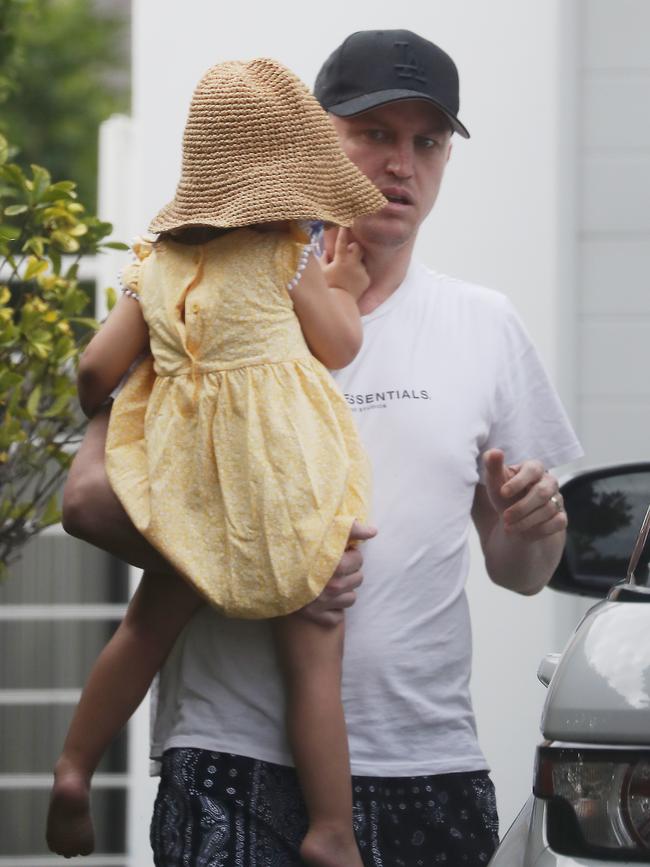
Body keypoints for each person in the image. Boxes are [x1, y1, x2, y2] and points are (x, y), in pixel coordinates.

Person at [59, 30, 583, 867]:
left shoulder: (485, 324)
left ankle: (72, 769)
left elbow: (521, 572)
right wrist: (271, 557)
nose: (402, 163)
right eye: (374, 132)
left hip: (425, 759)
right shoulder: (209, 292)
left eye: (428, 140)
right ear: (314, 138)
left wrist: (535, 521)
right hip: (227, 755)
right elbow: (85, 502)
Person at [45, 57, 388, 867]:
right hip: (279, 483)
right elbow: (339, 345)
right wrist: (339, 283)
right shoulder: (286, 249)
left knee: (145, 622)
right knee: (315, 644)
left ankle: (71, 766)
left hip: (187, 489)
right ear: (286, 176)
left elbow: (94, 373)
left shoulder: (154, 261)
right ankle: (331, 829)